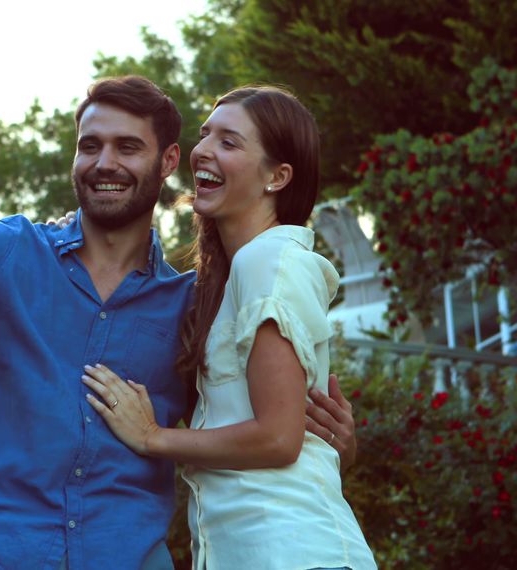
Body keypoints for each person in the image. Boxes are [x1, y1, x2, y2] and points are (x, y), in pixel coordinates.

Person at [0, 76, 359, 570]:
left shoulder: (195, 302)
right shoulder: (6, 249)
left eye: (127, 147)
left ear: (166, 162)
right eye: (90, 146)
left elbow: (249, 422)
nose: (104, 163)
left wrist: (328, 442)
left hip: (129, 556)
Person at [81, 85, 376, 569]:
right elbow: (288, 430)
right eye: (206, 135)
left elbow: (279, 439)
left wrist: (153, 437)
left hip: (291, 554)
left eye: (230, 142)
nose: (203, 151)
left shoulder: (268, 260)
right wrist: (337, 448)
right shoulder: (232, 276)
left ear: (277, 177)